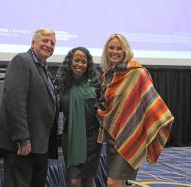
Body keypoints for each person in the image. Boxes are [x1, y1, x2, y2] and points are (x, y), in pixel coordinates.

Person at [97, 34, 174, 187]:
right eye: (111, 48)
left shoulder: (138, 73)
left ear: (126, 51)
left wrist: (154, 123)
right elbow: (107, 104)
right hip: (113, 135)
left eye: (119, 48)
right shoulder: (107, 76)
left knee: (112, 182)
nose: (115, 52)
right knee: (119, 181)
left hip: (130, 135)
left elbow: (151, 102)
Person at [0, 28, 58, 187]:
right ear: (33, 42)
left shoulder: (44, 68)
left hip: (39, 146)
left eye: (52, 43)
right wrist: (22, 138)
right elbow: (14, 102)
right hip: (23, 146)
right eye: (45, 40)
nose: (49, 45)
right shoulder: (22, 61)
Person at [55, 47, 102, 187]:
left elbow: (104, 105)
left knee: (88, 178)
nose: (80, 64)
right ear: (70, 61)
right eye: (76, 60)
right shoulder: (60, 83)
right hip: (71, 136)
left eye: (84, 61)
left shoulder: (96, 82)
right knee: (73, 180)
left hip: (92, 137)